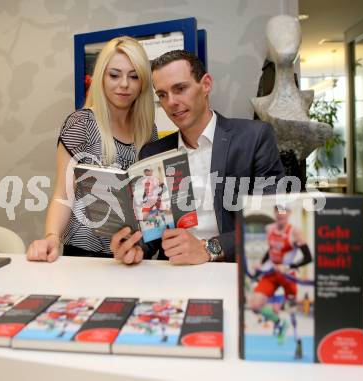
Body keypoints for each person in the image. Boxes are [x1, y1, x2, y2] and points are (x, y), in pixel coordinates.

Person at [111, 50, 284, 265]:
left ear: (206, 85)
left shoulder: (253, 138)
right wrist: (133, 247)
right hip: (173, 274)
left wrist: (208, 248)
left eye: (180, 88)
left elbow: (271, 219)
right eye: (162, 95)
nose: (171, 102)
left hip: (232, 270)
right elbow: (153, 234)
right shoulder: (153, 153)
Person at [26, 36, 157, 262]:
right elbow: (62, 195)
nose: (124, 84)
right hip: (84, 254)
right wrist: (52, 237)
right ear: (101, 78)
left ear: (143, 82)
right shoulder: (82, 124)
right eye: (114, 75)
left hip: (132, 254)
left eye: (134, 76)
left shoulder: (148, 131)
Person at [249, 205, 312, 347]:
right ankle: (280, 323)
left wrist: (288, 266)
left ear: (290, 213)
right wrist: (261, 264)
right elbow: (270, 250)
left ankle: (297, 341)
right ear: (274, 212)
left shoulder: (295, 232)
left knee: (291, 311)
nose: (280, 214)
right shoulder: (269, 229)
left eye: (284, 211)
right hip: (271, 273)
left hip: (288, 276)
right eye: (277, 210)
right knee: (255, 306)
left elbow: (308, 258)